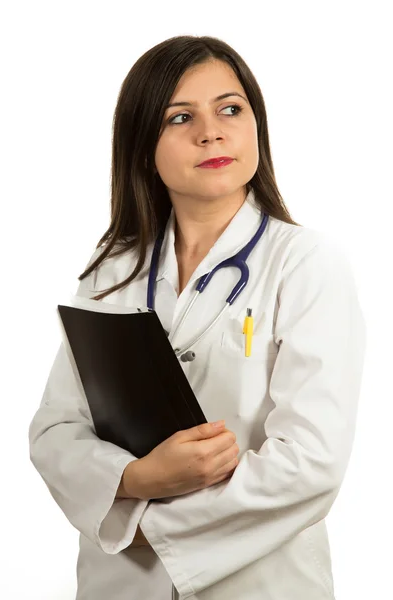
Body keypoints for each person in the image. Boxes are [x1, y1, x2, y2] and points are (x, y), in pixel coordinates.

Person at [28, 34, 366, 600]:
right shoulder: (113, 268)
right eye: (179, 117)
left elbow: (312, 463)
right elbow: (55, 430)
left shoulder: (305, 264)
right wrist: (139, 479)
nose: (211, 132)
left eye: (230, 109)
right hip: (119, 586)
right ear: (142, 146)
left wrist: (141, 521)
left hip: (260, 584)